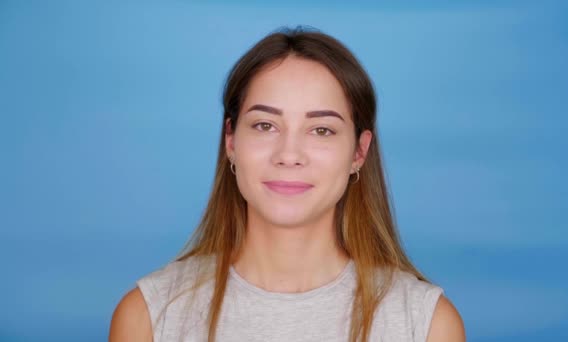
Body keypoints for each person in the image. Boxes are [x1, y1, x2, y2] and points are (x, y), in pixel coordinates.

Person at [109, 27, 465, 342]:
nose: (289, 154)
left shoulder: (426, 325)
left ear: (359, 152)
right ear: (231, 141)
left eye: (321, 130)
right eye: (265, 125)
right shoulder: (150, 317)